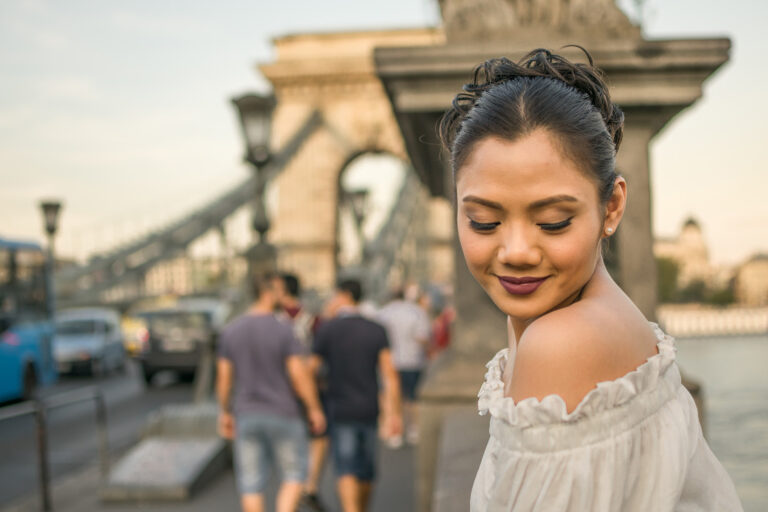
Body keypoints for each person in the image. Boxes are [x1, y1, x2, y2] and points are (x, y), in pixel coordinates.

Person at [439, 48, 742, 511]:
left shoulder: (563, 340)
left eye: (554, 221)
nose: (517, 252)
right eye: (483, 221)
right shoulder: (567, 313)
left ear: (612, 207)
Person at [216, 274, 326, 512]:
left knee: (250, 483)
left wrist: (225, 412)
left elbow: (224, 379)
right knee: (294, 475)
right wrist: (314, 408)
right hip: (283, 411)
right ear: (268, 294)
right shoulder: (284, 328)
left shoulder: (231, 330)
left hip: (246, 413)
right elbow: (298, 375)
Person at [310, 279, 402, 512]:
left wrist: (313, 402)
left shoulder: (327, 329)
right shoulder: (376, 328)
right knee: (367, 470)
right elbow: (390, 375)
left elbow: (309, 368)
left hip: (339, 407)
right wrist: (394, 414)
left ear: (343, 296)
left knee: (346, 467)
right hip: (370, 408)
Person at [274, 272, 329, 512]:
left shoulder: (272, 319)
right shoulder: (313, 319)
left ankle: (294, 486)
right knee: (319, 436)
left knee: (289, 440)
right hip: (311, 387)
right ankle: (309, 485)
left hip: (281, 388)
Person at [377, 287, 430, 446]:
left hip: (389, 361)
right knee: (413, 398)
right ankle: (414, 429)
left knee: (393, 398)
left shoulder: (382, 313)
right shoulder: (416, 312)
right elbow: (423, 337)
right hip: (412, 360)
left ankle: (395, 433)